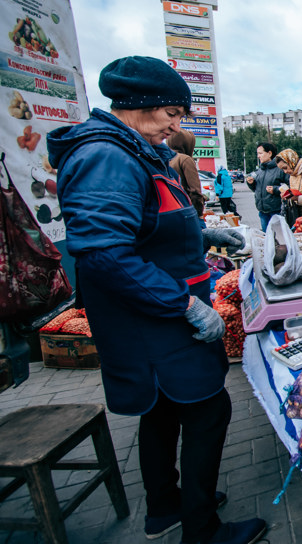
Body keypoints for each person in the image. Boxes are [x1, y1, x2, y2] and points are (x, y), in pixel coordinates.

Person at [47, 56, 265, 544]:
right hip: (156, 322)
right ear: (137, 105)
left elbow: (145, 225)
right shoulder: (106, 156)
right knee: (208, 412)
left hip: (156, 317)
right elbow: (104, 253)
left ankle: (167, 507)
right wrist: (184, 305)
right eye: (171, 111)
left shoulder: (133, 150)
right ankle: (202, 529)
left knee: (162, 413)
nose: (176, 124)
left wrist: (202, 233)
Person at [246, 141, 288, 231]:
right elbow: (256, 189)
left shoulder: (280, 169)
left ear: (269, 153)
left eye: (260, 153)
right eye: (257, 154)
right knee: (267, 238)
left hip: (277, 212)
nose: (258, 156)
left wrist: (275, 189)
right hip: (262, 212)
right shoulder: (260, 171)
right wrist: (251, 183)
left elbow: (290, 186)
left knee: (278, 239)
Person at [167, 130, 205, 216]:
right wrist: (199, 213)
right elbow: (195, 192)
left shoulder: (161, 158)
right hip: (185, 209)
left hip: (167, 210)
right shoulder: (185, 159)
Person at [275, 148, 302, 224]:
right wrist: (288, 195)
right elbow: (296, 193)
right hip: (299, 216)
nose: (285, 171)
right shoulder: (293, 174)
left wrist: (299, 199)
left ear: (292, 161)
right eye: (282, 170)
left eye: (285, 168)